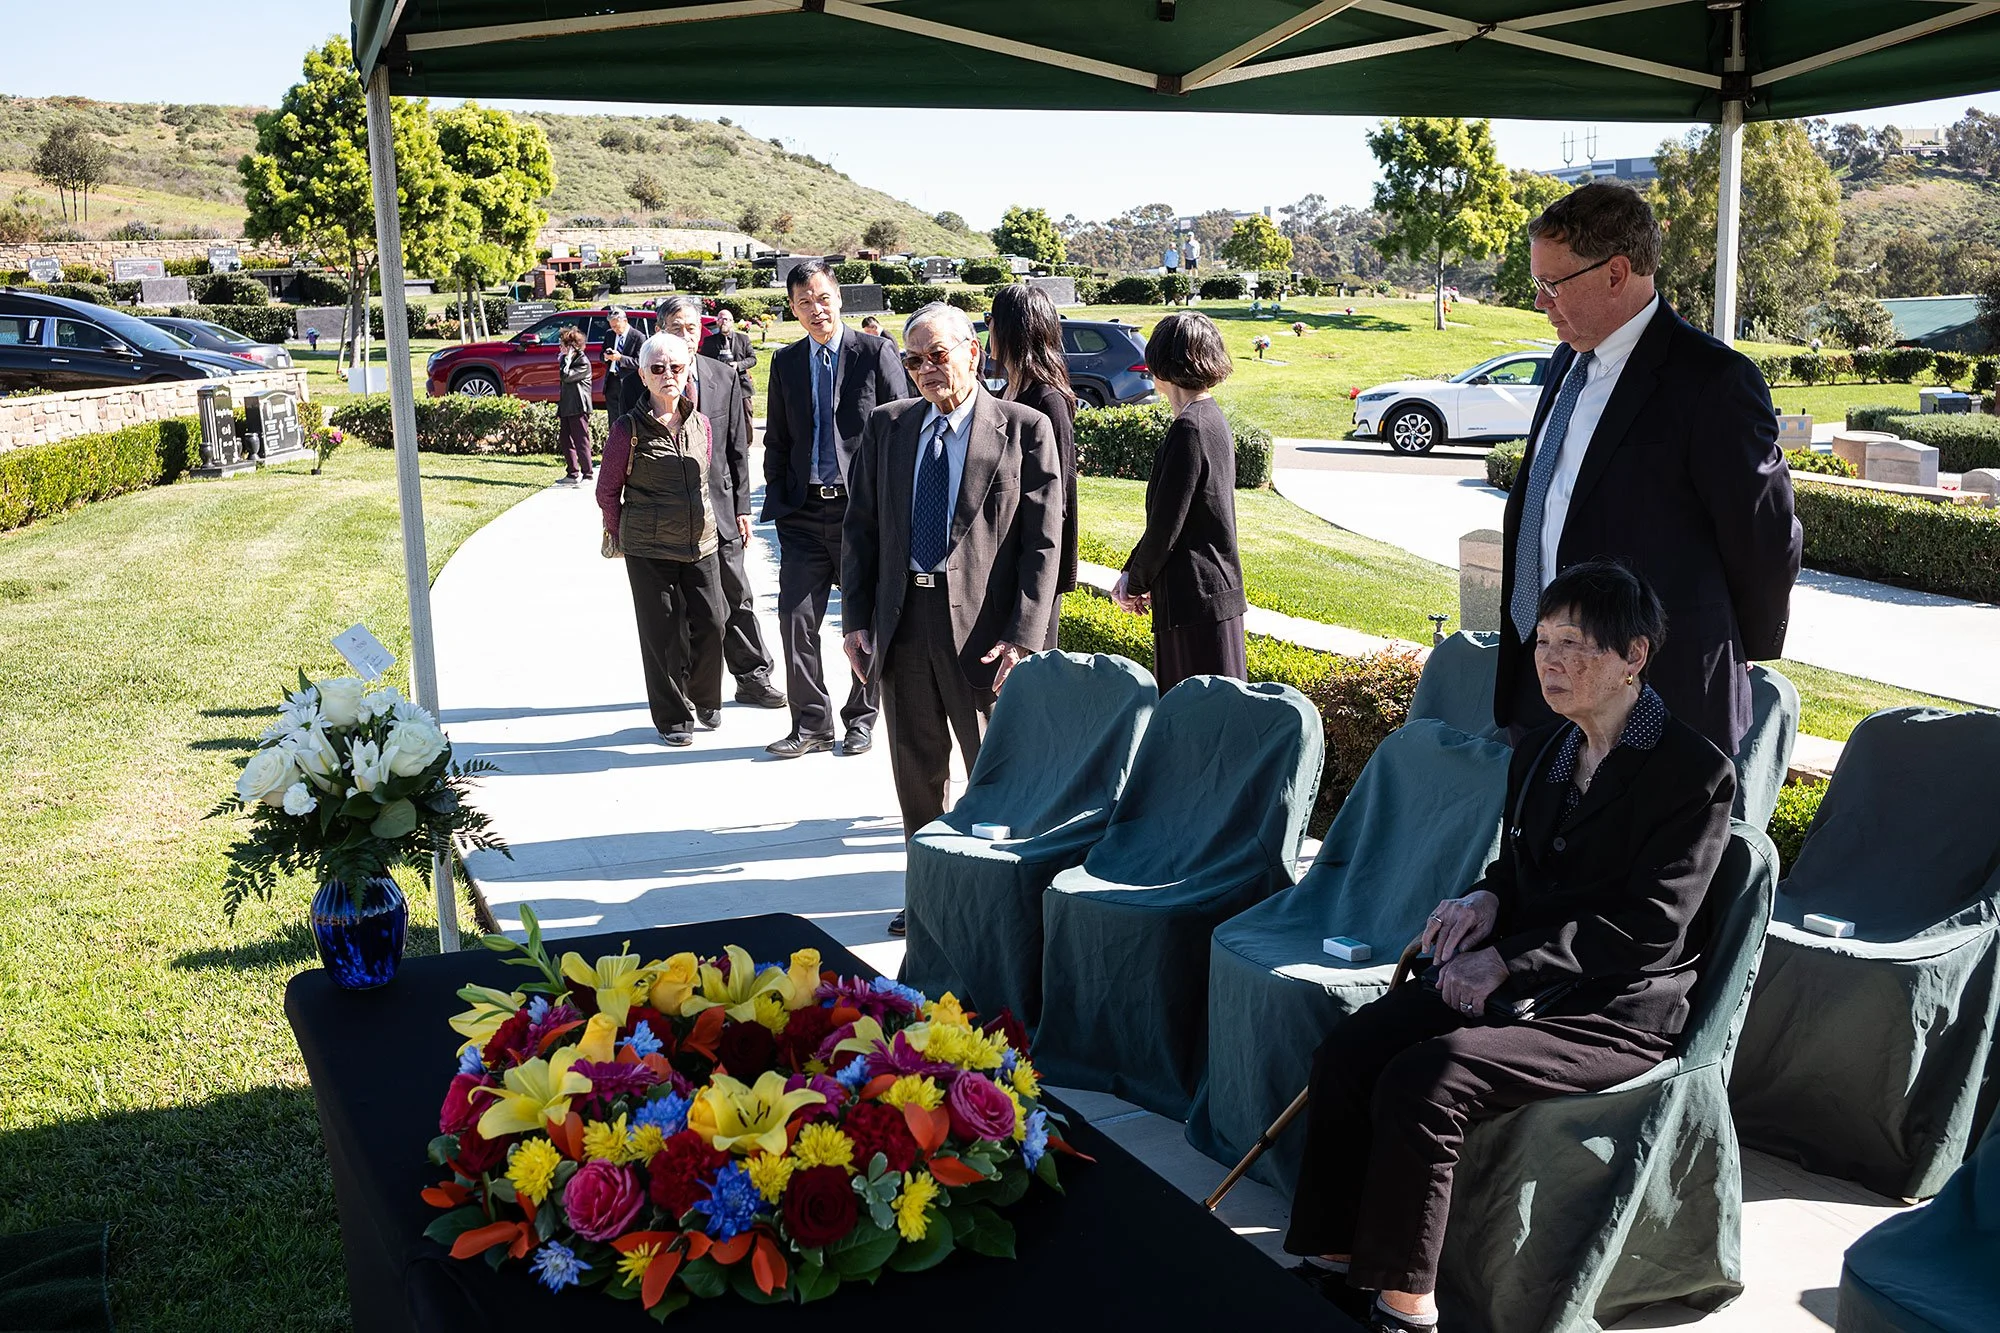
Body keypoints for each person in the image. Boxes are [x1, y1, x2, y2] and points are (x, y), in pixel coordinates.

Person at [1285, 560, 1735, 1333]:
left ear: (1634, 656)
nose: (1552, 662)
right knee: (1352, 1048)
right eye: (1545, 642)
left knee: (1430, 1077)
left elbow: (1650, 928)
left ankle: (1406, 1302)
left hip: (1614, 1007)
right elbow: (1519, 868)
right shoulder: (1544, 752)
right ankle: (1333, 1253)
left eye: (1577, 646)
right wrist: (1485, 900)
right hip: (1520, 982)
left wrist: (1506, 960)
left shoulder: (1694, 775)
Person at [1498, 182, 1800, 756]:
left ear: (1617, 273)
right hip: (1545, 695)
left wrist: (1728, 649)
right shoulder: (1567, 361)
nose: (1541, 302)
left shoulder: (1713, 382)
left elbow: (1764, 539)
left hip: (1660, 700)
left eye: (1552, 285)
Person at [842, 303, 1064, 938]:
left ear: (975, 352)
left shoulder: (1025, 429)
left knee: (996, 774)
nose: (924, 371)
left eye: (937, 355)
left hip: (985, 636)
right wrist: (858, 619)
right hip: (904, 620)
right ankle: (932, 899)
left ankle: (1001, 903)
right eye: (913, 360)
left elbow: (1042, 544)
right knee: (917, 773)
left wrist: (1023, 634)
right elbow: (860, 532)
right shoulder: (887, 427)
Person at [760, 259, 909, 759]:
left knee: (863, 616)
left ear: (839, 297)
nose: (816, 310)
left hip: (860, 513)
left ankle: (861, 718)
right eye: (804, 303)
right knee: (794, 618)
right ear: (793, 309)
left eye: (823, 298)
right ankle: (811, 724)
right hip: (803, 513)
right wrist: (780, 496)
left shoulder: (876, 353)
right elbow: (777, 440)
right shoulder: (784, 364)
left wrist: (892, 506)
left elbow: (903, 430)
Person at [596, 331, 725, 748]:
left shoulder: (701, 422)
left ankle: (704, 697)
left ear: (688, 370)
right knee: (662, 636)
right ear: (644, 375)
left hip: (700, 542)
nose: (668, 374)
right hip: (648, 549)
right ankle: (673, 718)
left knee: (713, 625)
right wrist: (622, 534)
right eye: (658, 368)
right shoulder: (626, 429)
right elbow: (607, 491)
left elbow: (709, 479)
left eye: (676, 366)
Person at [657, 295, 786, 710]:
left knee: (737, 596)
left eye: (691, 327)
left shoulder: (722, 377)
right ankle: (689, 688)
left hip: (722, 509)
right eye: (676, 327)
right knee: (682, 608)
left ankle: (753, 676)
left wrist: (743, 507)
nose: (685, 336)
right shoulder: (647, 378)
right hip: (672, 517)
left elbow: (737, 450)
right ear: (661, 330)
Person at [1110, 312, 1247, 693]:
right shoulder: (1211, 418)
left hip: (1194, 605)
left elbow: (1166, 527)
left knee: (1194, 729)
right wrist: (1134, 573)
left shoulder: (1189, 427)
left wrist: (1134, 583)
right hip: (1213, 599)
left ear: (1161, 365)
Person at [987, 283, 1078, 650]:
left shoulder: (1048, 400)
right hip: (1000, 559)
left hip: (1032, 566)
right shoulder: (1005, 390)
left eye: (991, 319)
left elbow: (1058, 500)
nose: (987, 327)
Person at [699, 306, 759, 443]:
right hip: (720, 385)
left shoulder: (743, 339)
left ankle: (746, 444)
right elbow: (703, 361)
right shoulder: (710, 341)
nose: (723, 321)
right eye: (720, 319)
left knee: (746, 415)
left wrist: (738, 365)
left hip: (741, 384)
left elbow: (753, 359)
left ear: (732, 322)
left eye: (726, 319)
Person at [555, 326, 595, 486]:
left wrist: (567, 358)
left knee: (581, 440)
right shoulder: (567, 361)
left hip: (578, 406)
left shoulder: (582, 362)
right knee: (565, 439)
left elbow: (566, 376)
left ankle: (588, 474)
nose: (560, 348)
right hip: (567, 406)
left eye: (562, 345)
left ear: (571, 347)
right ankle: (572, 473)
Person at [602, 307, 646, 423]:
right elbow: (601, 355)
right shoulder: (610, 335)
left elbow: (639, 362)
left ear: (625, 321)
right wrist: (606, 356)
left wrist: (620, 358)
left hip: (628, 381)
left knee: (628, 414)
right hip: (612, 380)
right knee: (613, 417)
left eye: (617, 326)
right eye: (612, 327)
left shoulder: (638, 337)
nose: (614, 329)